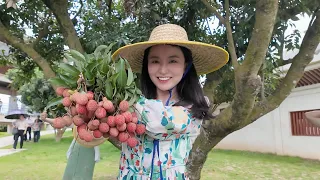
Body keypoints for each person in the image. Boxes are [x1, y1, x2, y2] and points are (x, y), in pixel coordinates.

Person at [112, 24, 229, 179]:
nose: (163, 70)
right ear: (147, 66)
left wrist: (117, 100)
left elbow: (157, 121)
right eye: (155, 61)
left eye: (173, 61)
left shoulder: (194, 108)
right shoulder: (131, 105)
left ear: (185, 66)